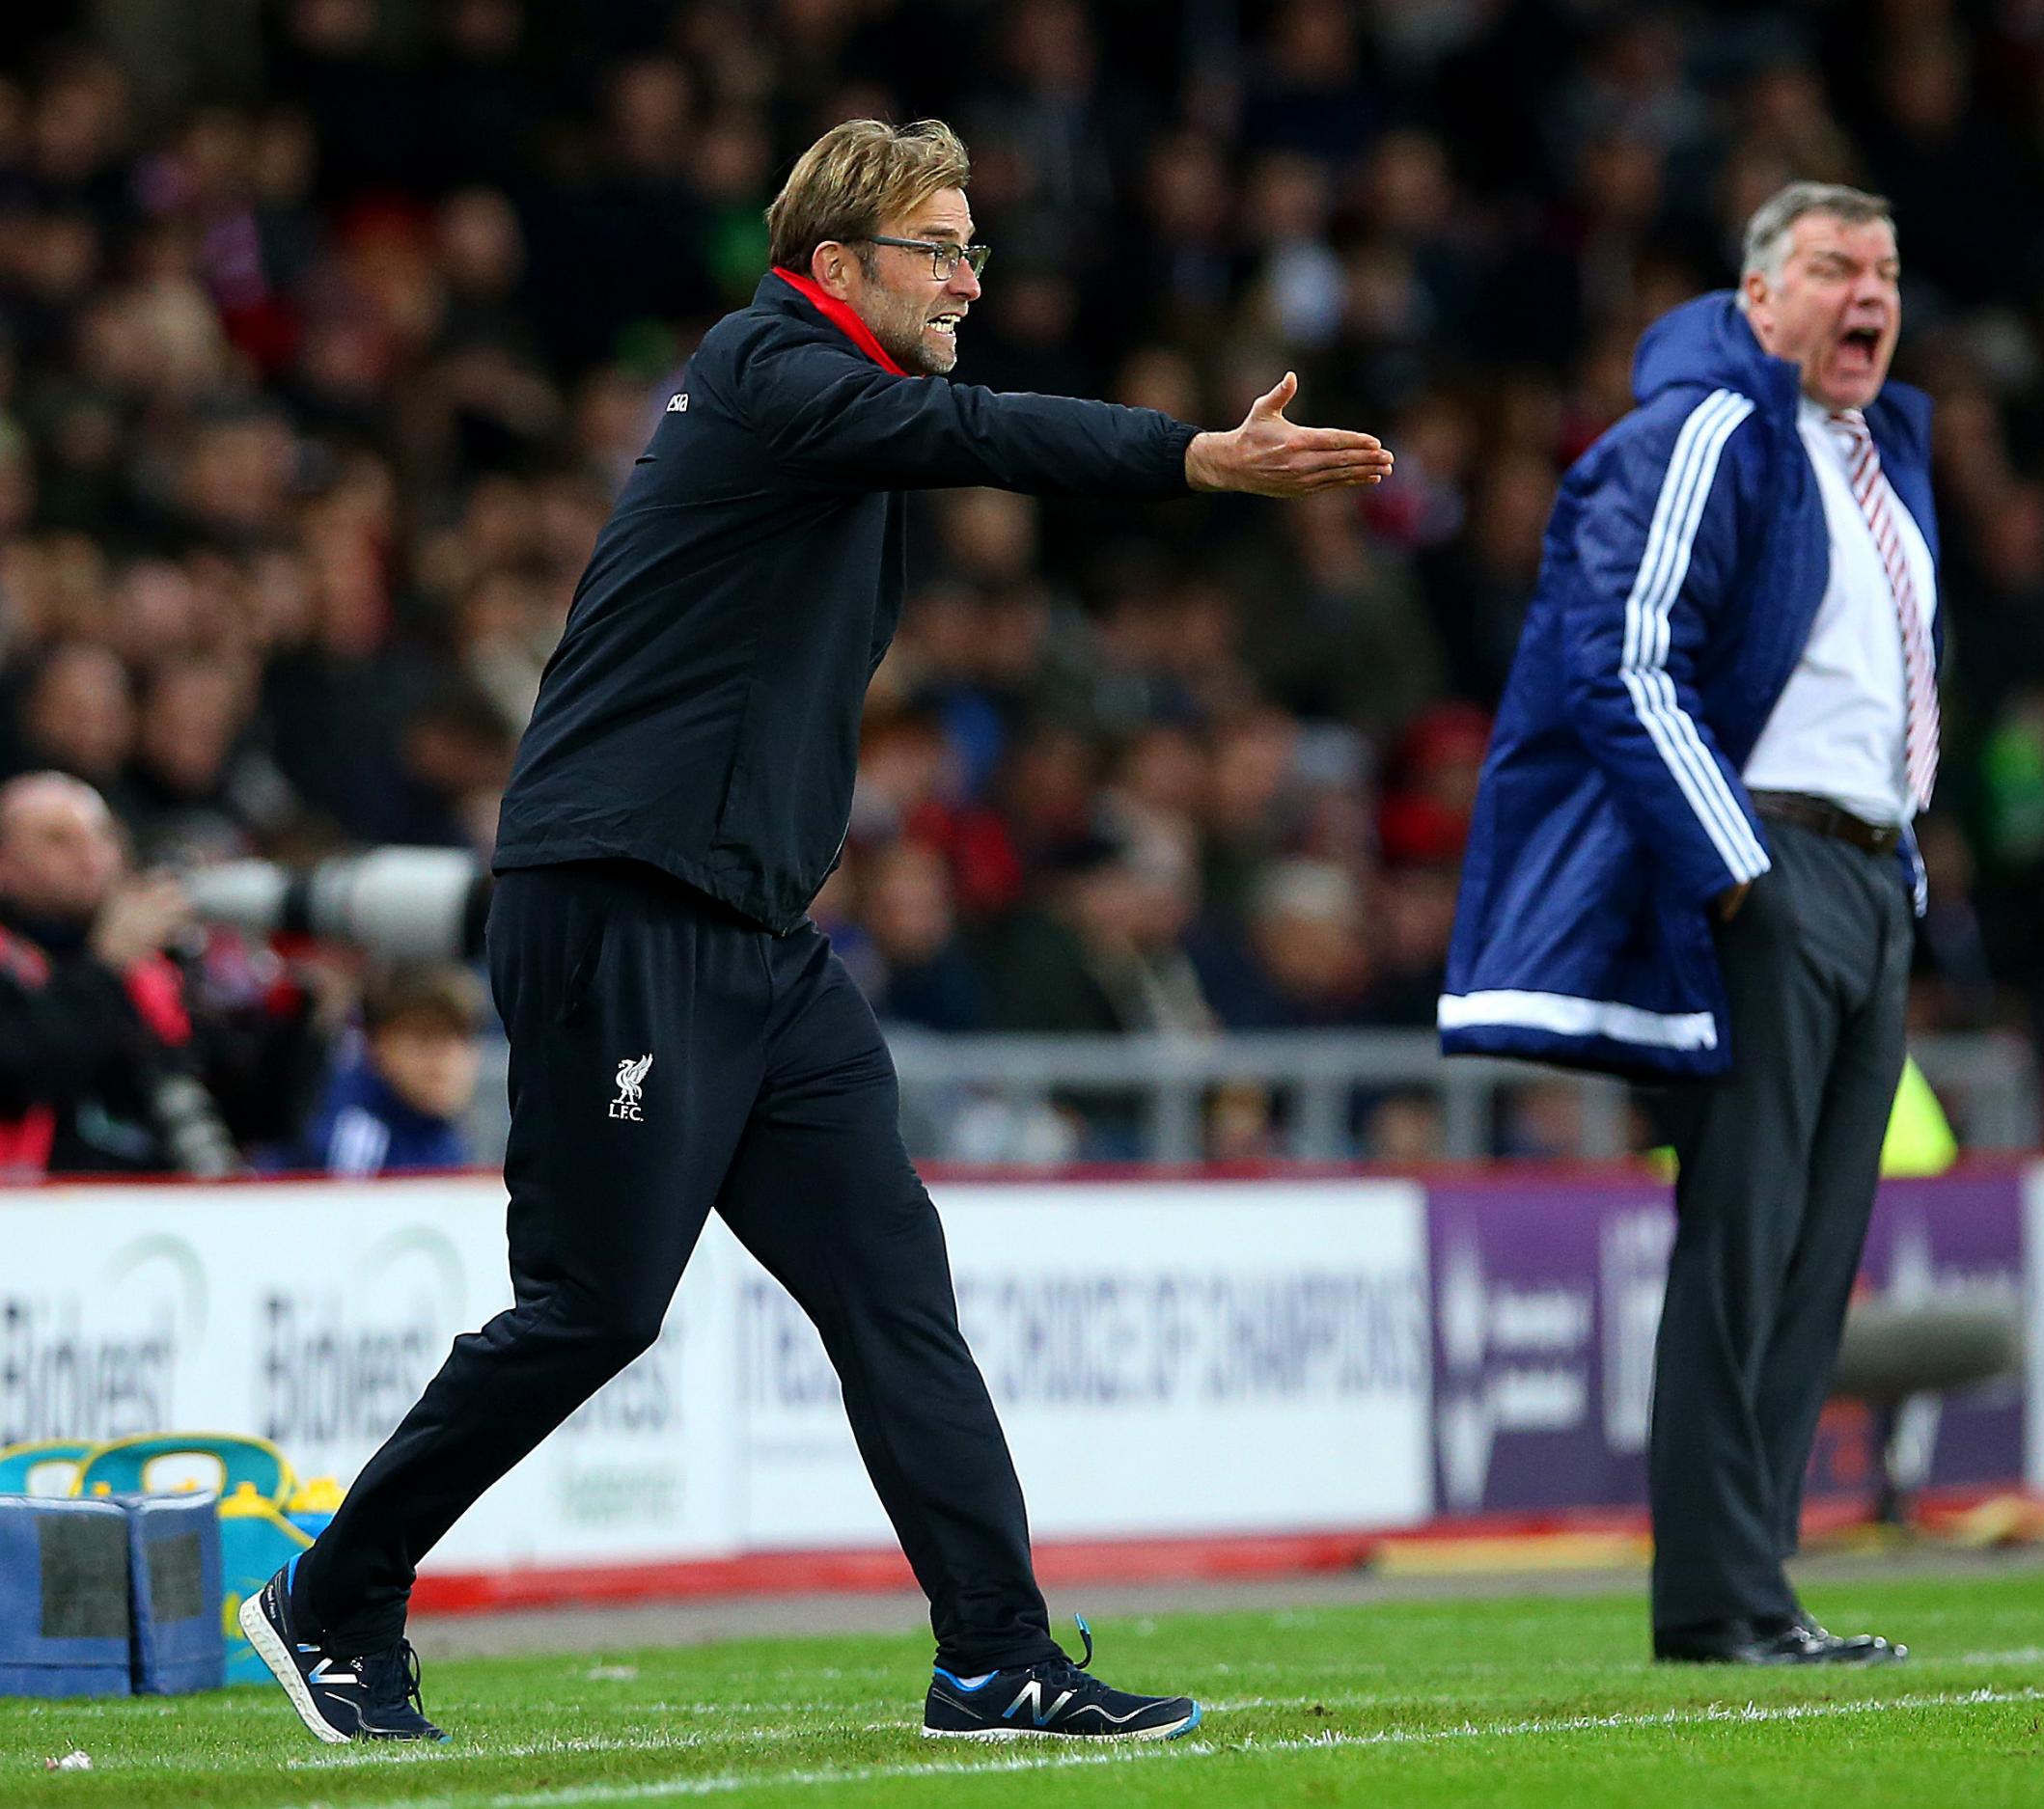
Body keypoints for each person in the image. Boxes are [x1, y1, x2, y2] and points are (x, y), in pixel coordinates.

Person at [241, 117, 1390, 1745]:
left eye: (976, 248)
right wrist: (1191, 457)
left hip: (757, 943)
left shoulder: (835, 406)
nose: (969, 281)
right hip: (620, 903)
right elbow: (981, 431)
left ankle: (994, 1655)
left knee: (892, 1289)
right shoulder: (772, 366)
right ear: (837, 264)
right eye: (942, 247)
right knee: (595, 1306)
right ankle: (331, 1592)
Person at [1441, 181, 1932, 1665]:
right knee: (1743, 1237)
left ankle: (1757, 1583)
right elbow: (1619, 655)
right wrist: (1740, 874)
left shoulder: (1880, 449)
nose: (1870, 293)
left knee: (1810, 1250)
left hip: (1870, 871)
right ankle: (1717, 1596)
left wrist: (1900, 869)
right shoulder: (1711, 428)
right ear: (1762, 294)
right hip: (1772, 860)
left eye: (1889, 270)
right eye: (1838, 265)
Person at [0, 771, 239, 1177]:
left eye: (102, 835)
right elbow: (24, 1068)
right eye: (58, 840)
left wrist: (305, 1012)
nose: (90, 856)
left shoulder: (153, 969)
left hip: (156, 1209)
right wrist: (107, 966)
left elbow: (236, 1101)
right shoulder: (105, 961)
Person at [293, 962, 486, 1176]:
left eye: (462, 1038)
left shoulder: (445, 1137)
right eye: (425, 1037)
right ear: (376, 1046)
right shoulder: (357, 1135)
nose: (446, 1057)